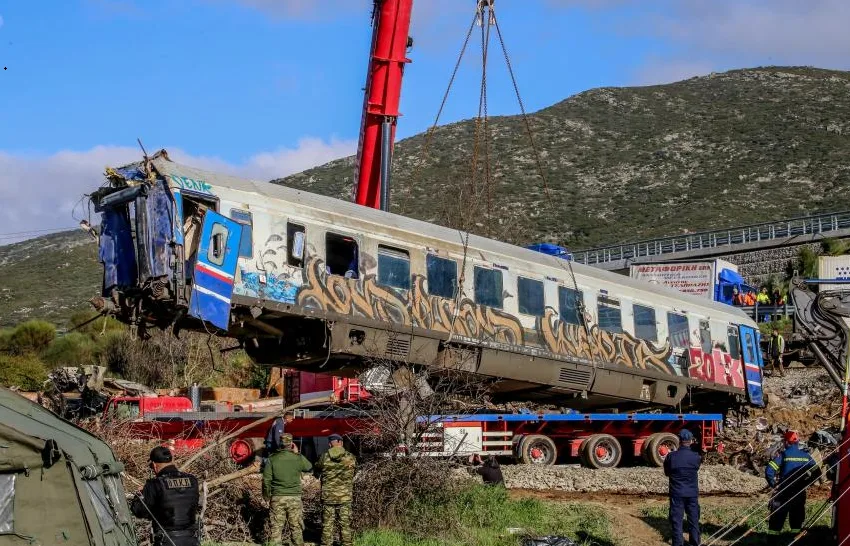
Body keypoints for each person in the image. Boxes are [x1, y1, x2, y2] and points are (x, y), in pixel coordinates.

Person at [131, 446, 200, 546]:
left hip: (166, 541)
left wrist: (140, 495)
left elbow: (139, 512)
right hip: (192, 540)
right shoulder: (192, 480)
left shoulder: (155, 484)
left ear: (154, 465)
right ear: (172, 460)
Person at [766, 430, 821, 533]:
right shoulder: (805, 456)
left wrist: (774, 485)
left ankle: (772, 541)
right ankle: (793, 540)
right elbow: (817, 472)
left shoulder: (783, 455)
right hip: (799, 493)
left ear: (786, 442)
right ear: (797, 442)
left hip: (783, 492)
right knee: (796, 521)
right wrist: (806, 483)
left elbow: (769, 471)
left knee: (776, 521)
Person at [263, 433, 313, 546]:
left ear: (280, 445)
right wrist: (297, 453)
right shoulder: (297, 458)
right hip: (294, 498)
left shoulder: (272, 459)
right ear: (291, 444)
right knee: (296, 528)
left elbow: (266, 480)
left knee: (276, 529)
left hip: (277, 497)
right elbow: (309, 467)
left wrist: (266, 496)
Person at [314, 433, 357, 546]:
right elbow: (354, 472)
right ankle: (346, 543)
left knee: (327, 523)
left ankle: (326, 544)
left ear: (329, 444)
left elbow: (317, 468)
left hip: (329, 496)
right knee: (345, 523)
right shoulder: (351, 457)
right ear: (341, 442)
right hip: (345, 496)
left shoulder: (324, 456)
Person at [663, 429, 702, 546]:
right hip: (692, 493)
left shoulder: (671, 457)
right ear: (690, 441)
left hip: (677, 493)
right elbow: (696, 468)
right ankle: (695, 542)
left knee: (677, 520)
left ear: (679, 441)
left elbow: (667, 472)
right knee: (694, 519)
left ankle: (678, 543)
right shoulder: (696, 457)